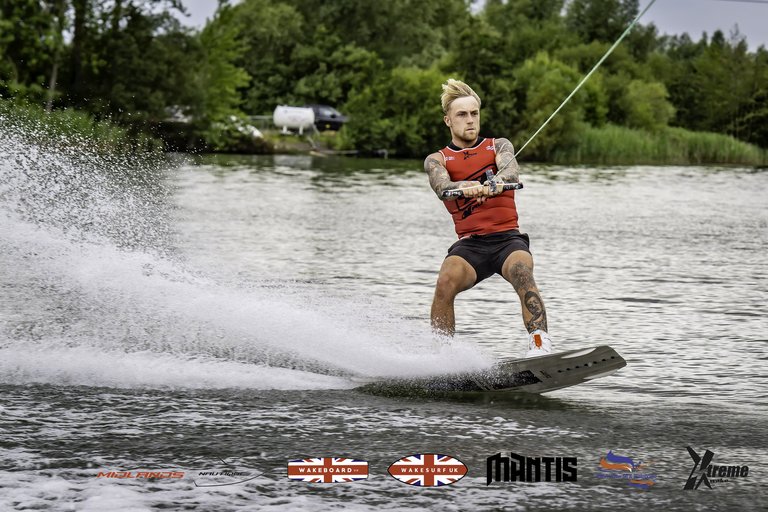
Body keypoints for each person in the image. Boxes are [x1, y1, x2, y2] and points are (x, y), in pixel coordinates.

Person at [424, 78, 552, 358]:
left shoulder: (498, 146)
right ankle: (441, 357)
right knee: (445, 281)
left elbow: (511, 172)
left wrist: (497, 183)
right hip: (471, 246)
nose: (470, 120)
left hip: (508, 240)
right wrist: (467, 186)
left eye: (474, 113)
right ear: (448, 120)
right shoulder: (438, 159)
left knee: (522, 272)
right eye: (462, 114)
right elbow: (442, 187)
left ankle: (540, 345)